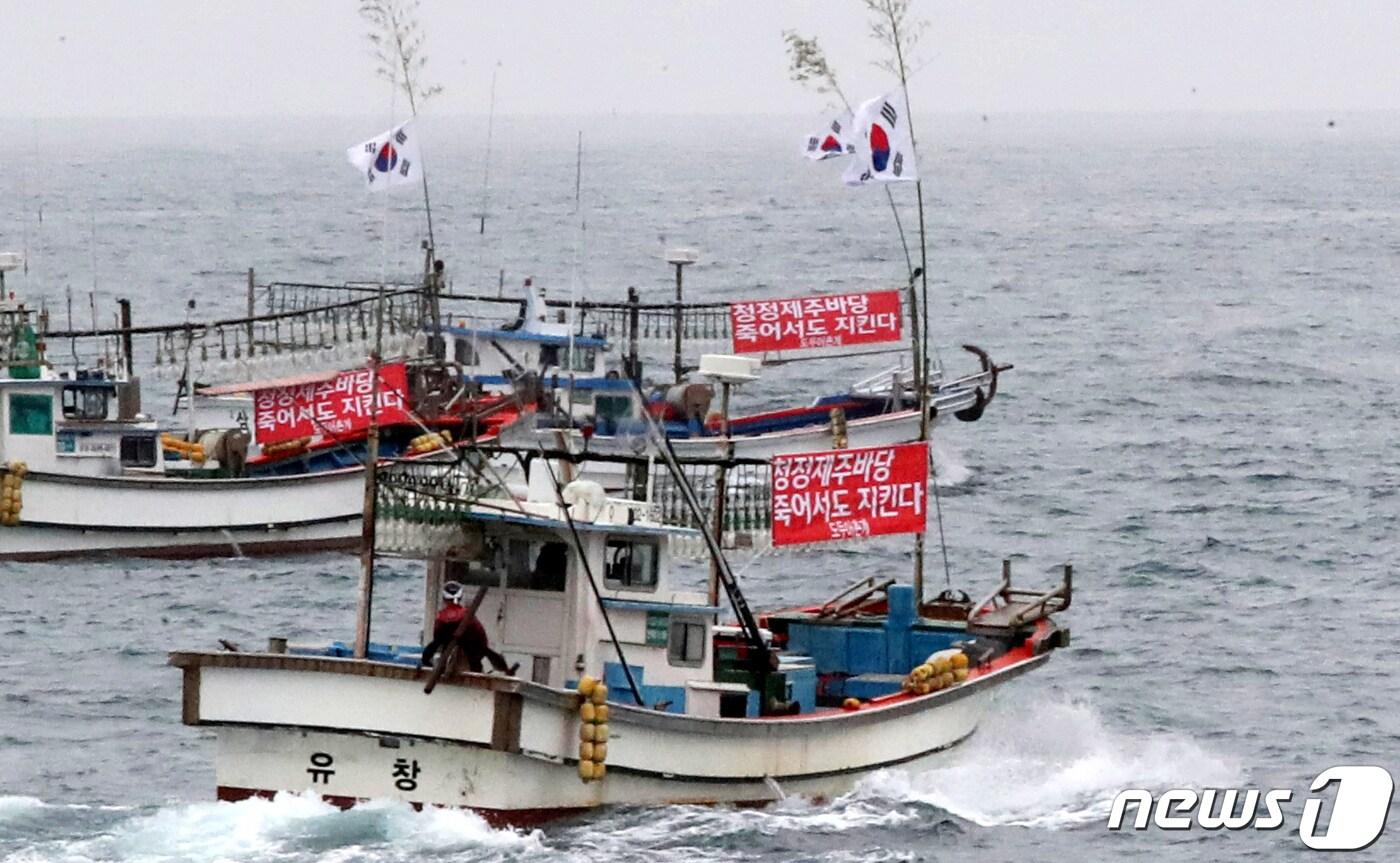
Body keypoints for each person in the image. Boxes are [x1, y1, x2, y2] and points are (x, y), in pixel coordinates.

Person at [420, 581, 516, 675]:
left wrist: (427, 660)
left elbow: (436, 638)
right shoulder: (467, 615)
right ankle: (490, 671)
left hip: (451, 646)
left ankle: (434, 666)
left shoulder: (442, 616)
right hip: (468, 647)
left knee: (440, 645)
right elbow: (481, 637)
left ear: (444, 598)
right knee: (478, 653)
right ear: (461, 597)